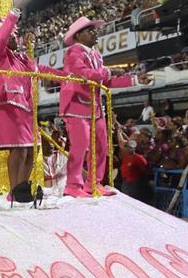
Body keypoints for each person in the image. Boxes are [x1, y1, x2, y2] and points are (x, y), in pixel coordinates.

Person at [0, 0, 51, 203]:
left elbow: (42, 69)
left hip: (22, 107)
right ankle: (16, 189)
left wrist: (70, 76)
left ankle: (20, 189)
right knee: (19, 148)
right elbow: (2, 35)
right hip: (3, 105)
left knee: (32, 148)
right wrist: (16, 8)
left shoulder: (21, 60)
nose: (15, 38)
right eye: (12, 36)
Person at [59, 17, 149, 198]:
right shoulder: (73, 52)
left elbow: (106, 81)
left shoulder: (96, 55)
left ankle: (94, 184)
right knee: (80, 145)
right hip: (76, 106)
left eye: (94, 30)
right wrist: (108, 71)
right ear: (78, 35)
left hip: (95, 108)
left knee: (102, 146)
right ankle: (72, 186)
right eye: (90, 30)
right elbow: (84, 74)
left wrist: (135, 80)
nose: (95, 32)